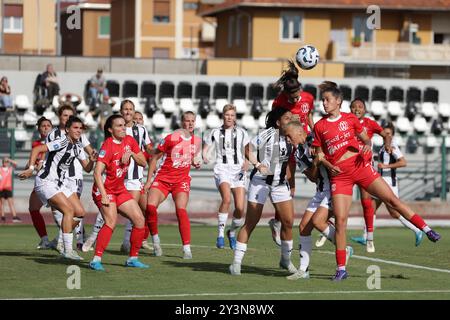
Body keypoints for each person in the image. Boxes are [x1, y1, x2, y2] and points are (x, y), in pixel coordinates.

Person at [311, 81, 440, 281]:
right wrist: (328, 165)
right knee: (341, 221)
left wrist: (367, 146)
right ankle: (341, 269)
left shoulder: (351, 119)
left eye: (327, 100)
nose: (324, 103)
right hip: (340, 176)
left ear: (338, 101)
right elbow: (319, 155)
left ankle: (427, 229)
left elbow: (367, 140)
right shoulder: (320, 126)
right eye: (323, 100)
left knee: (392, 201)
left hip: (361, 167)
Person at [229, 108, 297, 276]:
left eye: (291, 118)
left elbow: (292, 163)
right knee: (251, 222)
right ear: (278, 122)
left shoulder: (293, 137)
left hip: (280, 184)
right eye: (286, 118)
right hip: (260, 182)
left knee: (288, 223)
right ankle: (236, 263)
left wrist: (292, 181)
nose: (290, 120)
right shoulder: (268, 133)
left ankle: (285, 261)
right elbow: (247, 149)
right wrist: (258, 165)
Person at [18, 116, 95, 260]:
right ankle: (67, 250)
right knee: (69, 211)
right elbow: (37, 148)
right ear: (67, 129)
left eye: (80, 128)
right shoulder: (62, 141)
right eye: (75, 128)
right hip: (45, 181)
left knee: (80, 212)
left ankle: (63, 239)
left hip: (59, 183)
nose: (78, 131)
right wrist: (30, 168)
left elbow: (88, 168)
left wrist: (92, 160)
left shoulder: (78, 146)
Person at [283, 121, 352, 280]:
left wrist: (322, 157)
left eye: (289, 135)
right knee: (303, 228)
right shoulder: (297, 153)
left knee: (317, 221)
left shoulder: (317, 139)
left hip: (335, 188)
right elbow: (313, 177)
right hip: (321, 191)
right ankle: (303, 270)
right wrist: (315, 162)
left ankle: (344, 249)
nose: (287, 139)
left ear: (300, 132)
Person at [82, 100, 153, 253]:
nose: (128, 112)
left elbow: (148, 152)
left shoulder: (140, 130)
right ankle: (93, 237)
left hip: (133, 177)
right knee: (109, 214)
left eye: (131, 109)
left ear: (134, 112)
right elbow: (104, 158)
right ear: (121, 111)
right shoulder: (115, 131)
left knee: (134, 213)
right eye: (125, 109)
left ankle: (127, 244)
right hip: (115, 177)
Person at [89, 114, 149, 271]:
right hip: (104, 189)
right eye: (119, 126)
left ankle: (132, 258)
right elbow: (97, 173)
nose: (123, 128)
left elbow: (144, 162)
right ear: (110, 129)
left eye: (124, 125)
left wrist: (133, 155)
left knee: (140, 219)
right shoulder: (107, 146)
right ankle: (95, 259)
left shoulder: (130, 141)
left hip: (119, 189)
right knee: (111, 221)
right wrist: (103, 195)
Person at [143, 111, 202, 259]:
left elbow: (191, 157)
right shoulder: (170, 138)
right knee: (150, 207)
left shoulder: (197, 141)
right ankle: (156, 241)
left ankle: (187, 249)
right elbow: (154, 158)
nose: (190, 123)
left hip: (181, 181)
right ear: (182, 123)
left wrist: (195, 162)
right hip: (162, 179)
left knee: (181, 210)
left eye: (192, 121)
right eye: (187, 121)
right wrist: (149, 181)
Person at [268, 60, 315, 246]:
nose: (296, 100)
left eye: (298, 96)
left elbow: (309, 116)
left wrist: (314, 133)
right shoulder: (278, 102)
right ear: (286, 94)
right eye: (293, 97)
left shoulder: (308, 98)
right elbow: (273, 124)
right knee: (288, 186)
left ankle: (278, 221)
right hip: (286, 145)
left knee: (314, 178)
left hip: (302, 143)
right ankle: (279, 222)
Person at [346, 98, 392, 252]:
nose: (356, 109)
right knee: (337, 202)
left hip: (363, 168)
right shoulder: (344, 122)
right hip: (346, 167)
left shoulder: (370, 123)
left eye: (360, 107)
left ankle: (370, 238)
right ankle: (328, 230)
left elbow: (386, 134)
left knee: (366, 202)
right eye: (353, 107)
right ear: (349, 109)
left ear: (364, 109)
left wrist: (387, 144)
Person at [202, 104, 249, 250]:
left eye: (232, 115)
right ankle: (220, 235)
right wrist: (204, 156)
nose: (229, 117)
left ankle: (232, 232)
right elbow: (205, 149)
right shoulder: (215, 132)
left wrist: (247, 162)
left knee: (240, 209)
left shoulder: (242, 132)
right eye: (227, 115)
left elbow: (247, 151)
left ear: (235, 117)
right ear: (223, 116)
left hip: (238, 171)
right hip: (222, 169)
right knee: (227, 199)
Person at [372, 122, 424, 246]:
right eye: (385, 133)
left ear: (393, 135)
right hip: (382, 182)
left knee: (394, 212)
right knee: (371, 207)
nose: (386, 135)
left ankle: (417, 229)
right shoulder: (383, 147)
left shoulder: (393, 146)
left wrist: (386, 166)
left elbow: (403, 162)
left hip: (390, 183)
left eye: (389, 133)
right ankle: (367, 236)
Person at [28, 117, 54, 248]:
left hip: (54, 182)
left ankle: (74, 238)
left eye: (48, 125)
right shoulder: (35, 144)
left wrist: (42, 162)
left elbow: (45, 155)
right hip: (41, 182)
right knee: (33, 208)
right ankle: (45, 240)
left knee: (61, 212)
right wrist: (28, 169)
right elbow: (31, 162)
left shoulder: (56, 141)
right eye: (43, 125)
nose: (45, 127)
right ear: (38, 128)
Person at [0, 157, 20, 223]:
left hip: (8, 188)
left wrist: (9, 159)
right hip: (1, 188)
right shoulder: (0, 169)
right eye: (5, 162)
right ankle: (2, 217)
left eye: (7, 162)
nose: (6, 163)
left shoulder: (10, 169)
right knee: (2, 203)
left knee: (11, 203)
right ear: (2, 162)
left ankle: (14, 217)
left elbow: (16, 164)